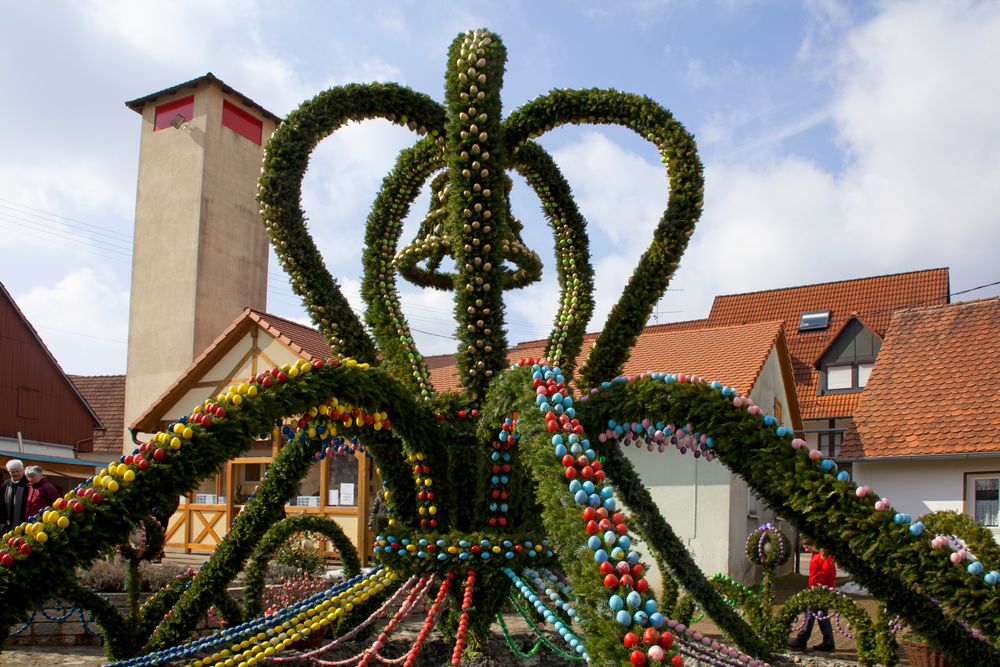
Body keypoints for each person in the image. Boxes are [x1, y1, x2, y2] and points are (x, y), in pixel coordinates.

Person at [788, 542, 837, 652]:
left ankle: (802, 639)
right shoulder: (817, 554)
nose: (805, 550)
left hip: (819, 590)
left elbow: (828, 572)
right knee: (822, 615)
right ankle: (828, 642)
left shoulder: (822, 555)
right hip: (818, 589)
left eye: (807, 547)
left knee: (810, 612)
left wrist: (819, 585)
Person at [2, 459, 29, 532]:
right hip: (8, 523)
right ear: (9, 472)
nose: (15, 474)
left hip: (23, 523)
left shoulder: (28, 485)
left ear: (22, 470)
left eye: (17, 471)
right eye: (12, 472)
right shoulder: (6, 484)